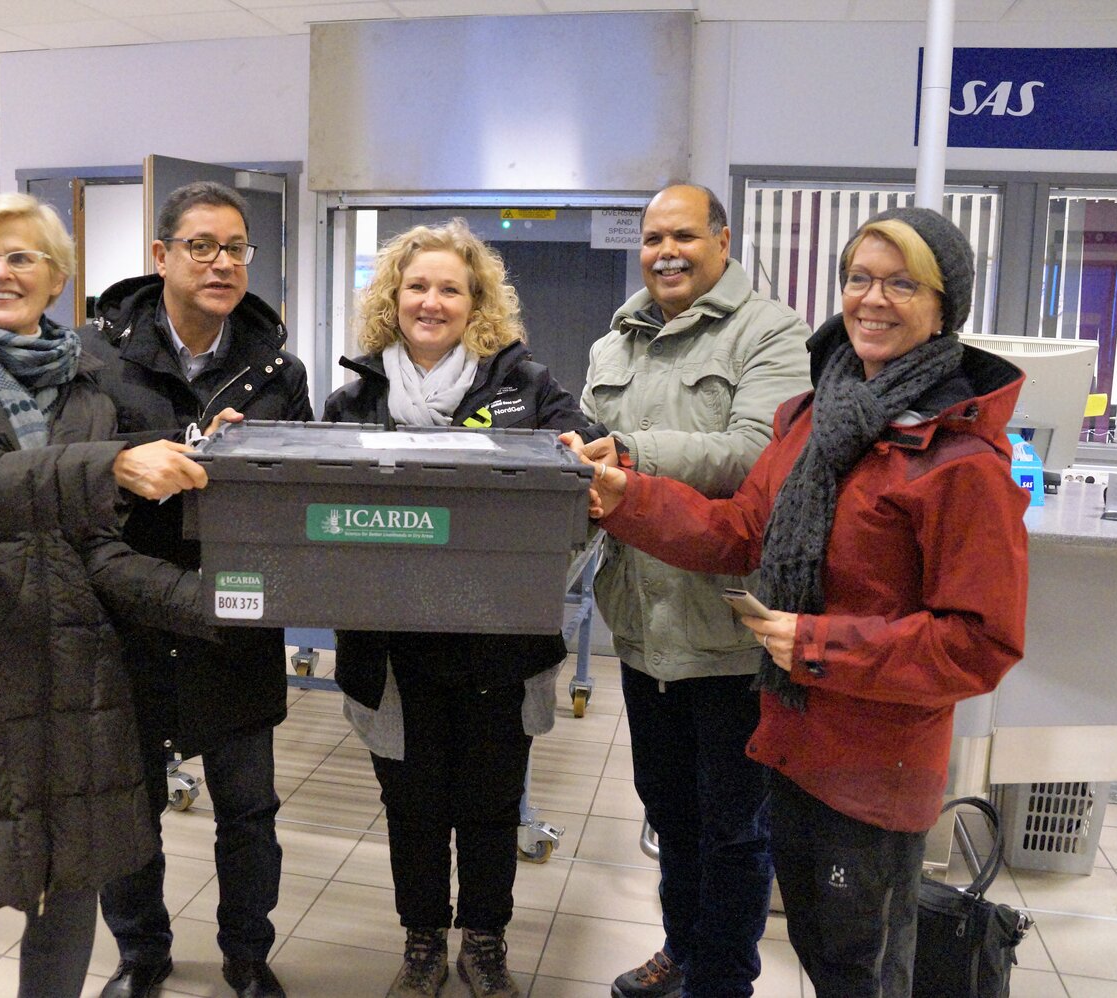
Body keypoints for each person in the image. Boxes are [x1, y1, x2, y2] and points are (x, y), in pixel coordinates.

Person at [576, 207, 1030, 998]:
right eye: (859, 279)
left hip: (874, 767)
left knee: (861, 973)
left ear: (943, 305)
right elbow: (739, 531)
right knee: (821, 953)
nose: (872, 300)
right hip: (790, 740)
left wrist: (820, 645)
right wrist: (628, 497)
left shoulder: (962, 461)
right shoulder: (815, 419)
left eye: (900, 284)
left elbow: (980, 643)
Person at [0, 192, 216, 997]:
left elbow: (94, 549)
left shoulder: (86, 387)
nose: (0, 274)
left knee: (69, 904)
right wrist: (109, 467)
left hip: (80, 686)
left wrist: (218, 604)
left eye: (22, 257)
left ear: (56, 277)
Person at [322, 219, 586, 998]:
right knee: (411, 807)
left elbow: (584, 453)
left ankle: (486, 941)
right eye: (417, 286)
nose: (431, 301)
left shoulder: (526, 387)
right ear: (392, 298)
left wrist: (585, 453)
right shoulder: (353, 398)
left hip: (496, 645)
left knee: (491, 803)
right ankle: (422, 942)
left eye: (450, 288)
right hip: (393, 650)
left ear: (477, 302)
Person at [569, 184, 810, 998]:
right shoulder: (615, 345)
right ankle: (681, 951)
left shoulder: (771, 333)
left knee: (734, 831)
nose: (665, 251)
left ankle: (722, 980)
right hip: (642, 625)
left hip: (728, 630)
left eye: (683, 236)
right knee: (669, 814)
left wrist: (628, 448)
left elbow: (752, 455)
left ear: (722, 239)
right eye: (652, 237)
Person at [82, 180, 312, 998]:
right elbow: (81, 490)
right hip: (128, 618)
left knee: (248, 810)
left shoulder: (278, 368)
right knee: (127, 808)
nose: (222, 263)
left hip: (238, 612)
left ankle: (247, 954)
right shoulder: (95, 358)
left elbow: (296, 497)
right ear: (161, 256)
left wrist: (253, 461)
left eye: (237, 248)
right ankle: (141, 954)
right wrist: (178, 452)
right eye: (202, 246)